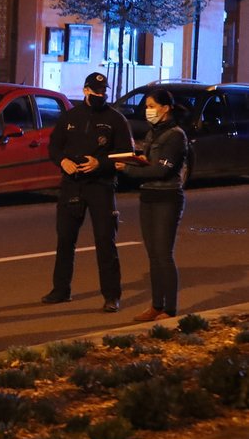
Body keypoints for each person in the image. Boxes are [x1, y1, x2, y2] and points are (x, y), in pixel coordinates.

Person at [42, 72, 134, 312]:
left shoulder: (116, 120)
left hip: (101, 186)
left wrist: (100, 163)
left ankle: (112, 296)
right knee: (65, 239)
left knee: (105, 240)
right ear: (85, 91)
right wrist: (62, 161)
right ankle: (61, 290)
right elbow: (54, 146)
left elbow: (126, 155)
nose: (101, 96)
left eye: (104, 92)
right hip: (72, 184)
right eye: (96, 92)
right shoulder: (71, 117)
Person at [115, 89, 187, 321]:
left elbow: (163, 169)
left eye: (152, 106)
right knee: (153, 254)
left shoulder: (175, 135)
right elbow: (151, 163)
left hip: (167, 197)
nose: (148, 110)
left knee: (164, 254)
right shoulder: (153, 133)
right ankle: (156, 305)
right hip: (148, 195)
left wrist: (128, 168)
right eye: (147, 106)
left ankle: (170, 309)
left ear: (165, 108)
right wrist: (137, 160)